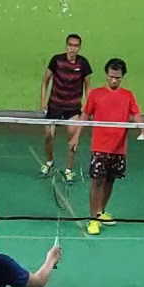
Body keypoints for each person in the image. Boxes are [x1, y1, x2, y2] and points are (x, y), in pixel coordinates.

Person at [81, 58, 144, 236]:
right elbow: (85, 115)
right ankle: (93, 219)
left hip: (119, 147)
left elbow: (136, 114)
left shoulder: (128, 95)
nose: (114, 80)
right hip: (100, 146)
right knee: (97, 181)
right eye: (111, 76)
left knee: (110, 180)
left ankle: (101, 212)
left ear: (122, 77)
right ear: (106, 74)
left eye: (117, 78)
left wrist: (143, 126)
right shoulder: (95, 94)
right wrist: (75, 136)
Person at [39, 34, 93, 183]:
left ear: (79, 48)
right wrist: (43, 101)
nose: (72, 48)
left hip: (72, 108)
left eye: (76, 46)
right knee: (48, 135)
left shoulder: (83, 64)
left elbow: (88, 87)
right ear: (66, 46)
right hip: (54, 106)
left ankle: (69, 170)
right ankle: (49, 162)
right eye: (70, 45)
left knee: (72, 137)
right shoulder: (56, 60)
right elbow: (45, 81)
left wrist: (89, 108)